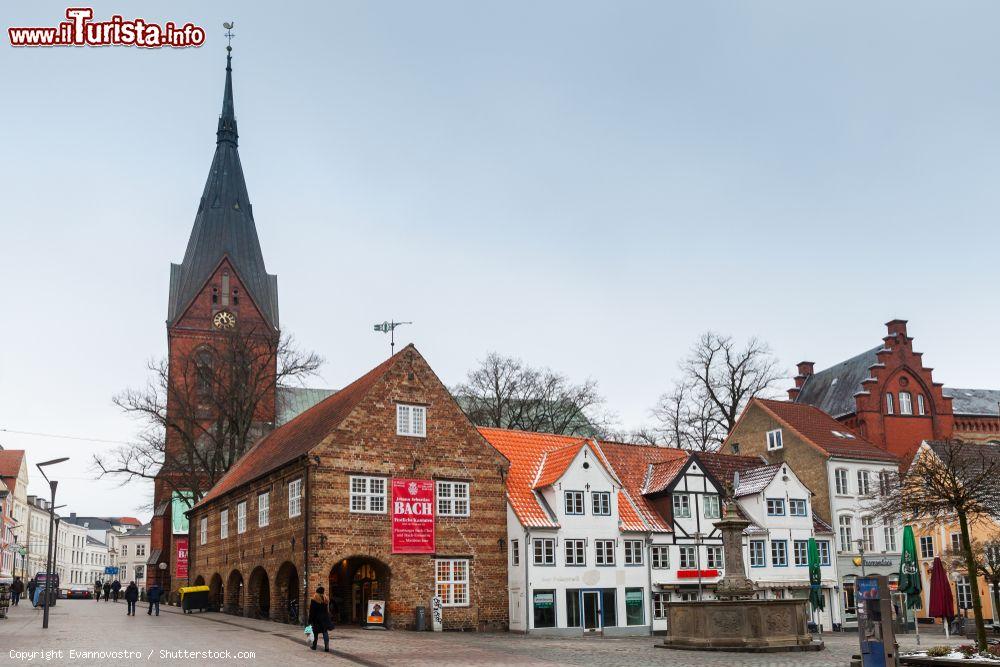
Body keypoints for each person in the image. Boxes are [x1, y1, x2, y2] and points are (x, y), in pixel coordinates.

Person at [307, 587, 331, 652]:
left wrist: (309, 620)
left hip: (316, 619)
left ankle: (314, 646)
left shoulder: (314, 600)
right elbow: (326, 610)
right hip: (324, 618)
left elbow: (312, 612)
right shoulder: (325, 600)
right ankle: (327, 647)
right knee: (325, 632)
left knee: (315, 632)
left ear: (316, 592)